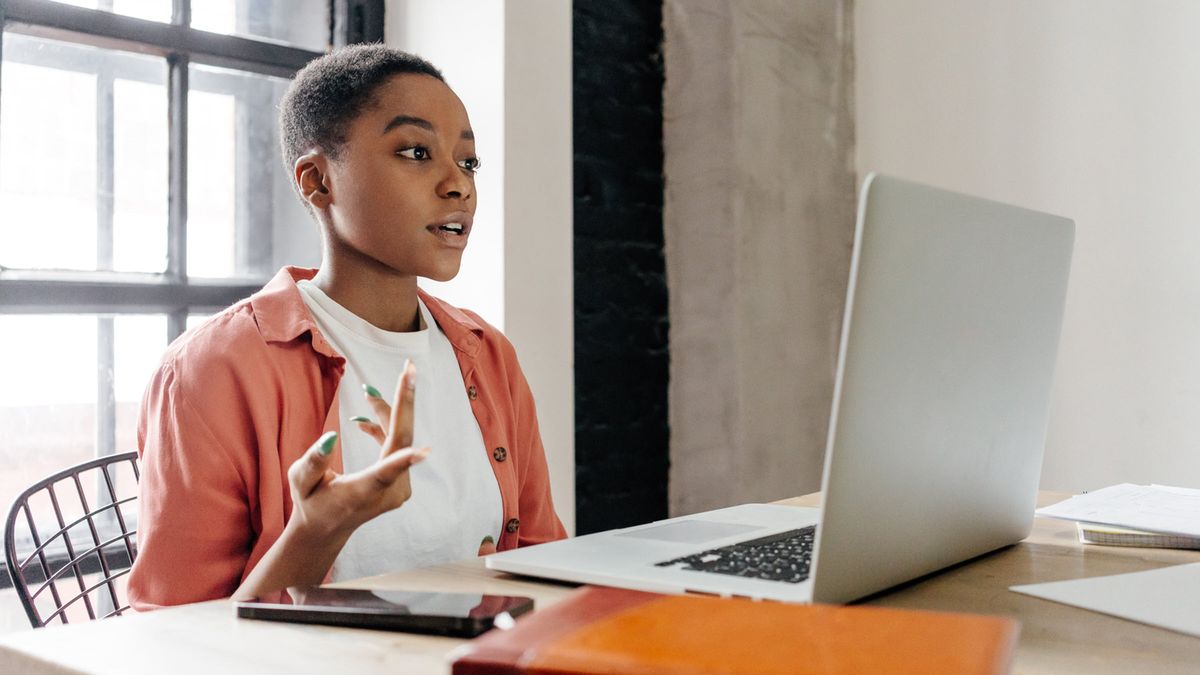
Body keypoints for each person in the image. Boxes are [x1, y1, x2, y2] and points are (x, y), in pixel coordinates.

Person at [128, 45, 566, 610]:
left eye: (468, 161)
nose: (458, 184)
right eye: (416, 152)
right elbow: (169, 641)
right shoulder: (210, 370)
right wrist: (314, 533)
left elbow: (539, 563)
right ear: (317, 182)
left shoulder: (487, 353)